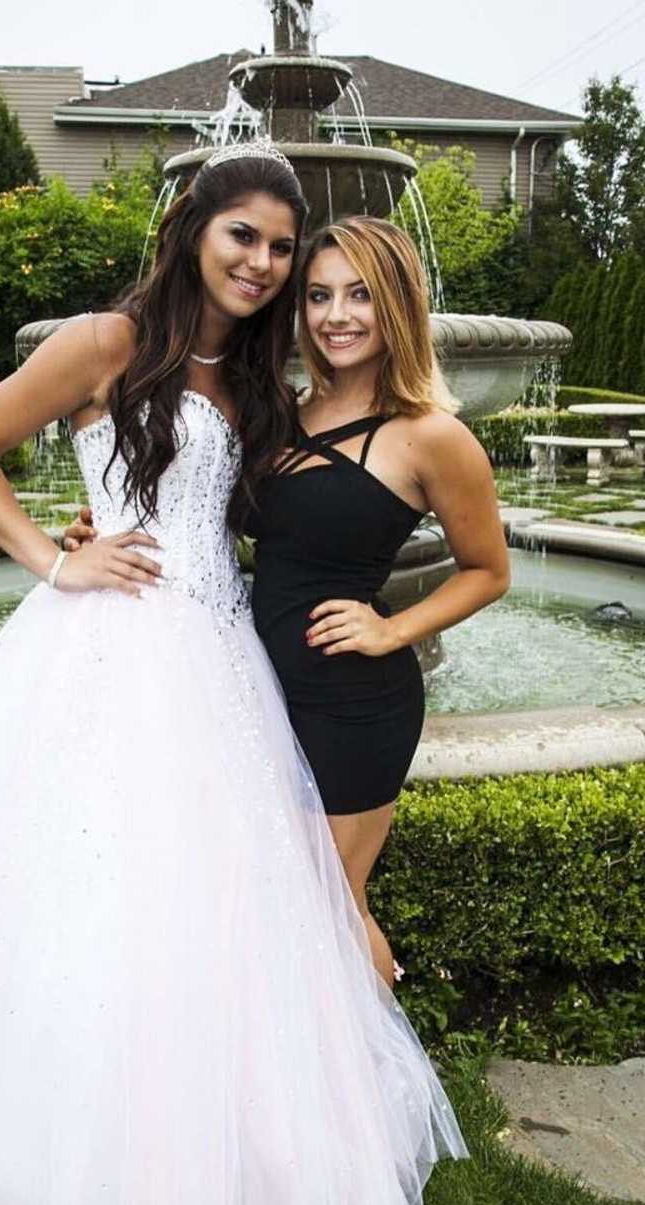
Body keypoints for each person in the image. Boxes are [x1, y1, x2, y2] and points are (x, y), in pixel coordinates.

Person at [0, 145, 466, 1205]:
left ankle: (212, 1175)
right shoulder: (108, 340)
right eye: (243, 235)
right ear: (193, 226)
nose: (262, 262)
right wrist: (57, 556)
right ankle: (39, 1189)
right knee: (82, 898)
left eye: (280, 246)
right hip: (106, 648)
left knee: (218, 908)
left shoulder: (257, 377)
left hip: (222, 659)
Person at [248, 216, 511, 988]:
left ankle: (377, 1057)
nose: (336, 315)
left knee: (332, 901)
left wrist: (393, 630)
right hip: (260, 691)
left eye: (359, 295)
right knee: (280, 894)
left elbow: (488, 571)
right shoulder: (283, 412)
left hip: (353, 706)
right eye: (319, 295)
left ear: (396, 303)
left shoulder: (432, 435)